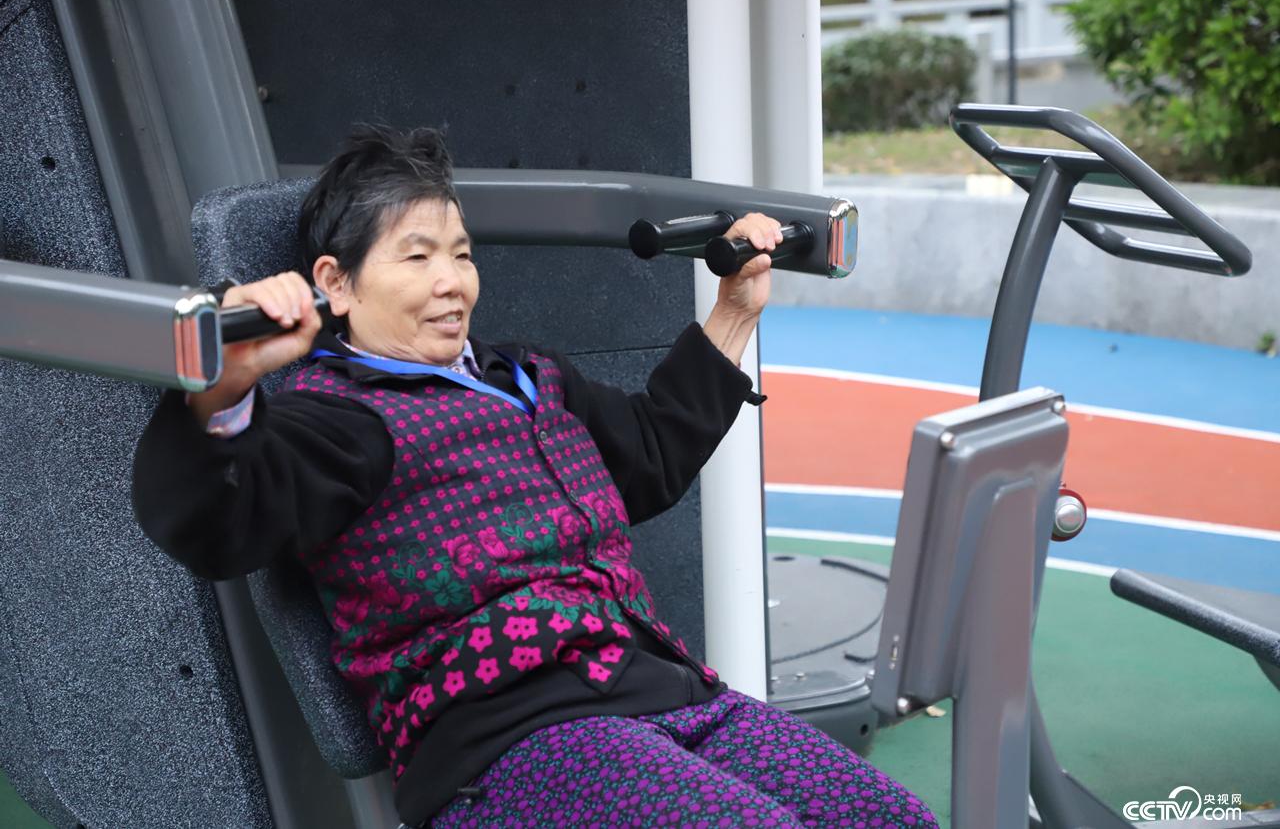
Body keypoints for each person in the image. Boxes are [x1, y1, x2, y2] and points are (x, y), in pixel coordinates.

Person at [133, 125, 937, 828]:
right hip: (508, 744)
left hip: (665, 692)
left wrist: (734, 312)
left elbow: (650, 457)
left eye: (461, 254)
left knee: (894, 818)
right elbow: (215, 520)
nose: (452, 281)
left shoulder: (527, 377)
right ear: (337, 283)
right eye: (417, 257)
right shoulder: (335, 420)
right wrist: (224, 386)